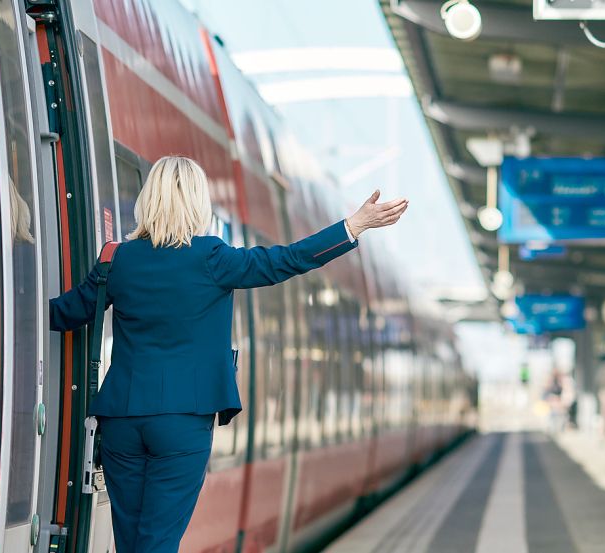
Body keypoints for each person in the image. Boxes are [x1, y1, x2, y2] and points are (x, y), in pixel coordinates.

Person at [49, 156, 407, 553]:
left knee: (130, 542)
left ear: (149, 201)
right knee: (156, 544)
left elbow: (65, 313)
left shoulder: (117, 260)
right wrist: (352, 226)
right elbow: (287, 260)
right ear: (198, 203)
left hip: (121, 422)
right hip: (182, 425)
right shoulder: (213, 258)